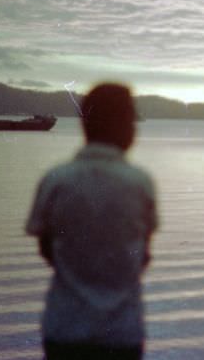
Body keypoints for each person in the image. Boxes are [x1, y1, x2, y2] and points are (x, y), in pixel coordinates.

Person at [26, 83, 158, 360]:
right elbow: (143, 255)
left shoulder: (56, 180)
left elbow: (47, 249)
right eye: (132, 120)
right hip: (121, 333)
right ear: (126, 127)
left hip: (65, 330)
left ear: (85, 124)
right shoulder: (140, 183)